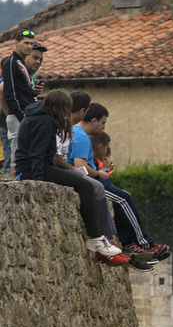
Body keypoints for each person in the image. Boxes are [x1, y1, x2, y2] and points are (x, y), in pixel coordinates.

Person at [14, 89, 125, 261]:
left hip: (33, 167)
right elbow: (37, 154)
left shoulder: (37, 115)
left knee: (85, 184)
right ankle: (96, 237)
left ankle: (98, 237)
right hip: (34, 169)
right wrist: (38, 181)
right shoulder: (45, 121)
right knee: (87, 186)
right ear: (62, 107)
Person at [70, 104, 169, 268]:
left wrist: (100, 172)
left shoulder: (81, 135)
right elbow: (80, 166)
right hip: (89, 183)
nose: (103, 127)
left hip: (93, 181)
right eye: (103, 123)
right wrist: (99, 174)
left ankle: (131, 247)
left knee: (121, 199)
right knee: (123, 198)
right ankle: (144, 243)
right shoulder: (81, 136)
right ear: (93, 120)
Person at [2, 29, 42, 155]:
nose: (29, 46)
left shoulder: (21, 64)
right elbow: (10, 93)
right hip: (18, 116)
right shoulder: (11, 62)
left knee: (25, 153)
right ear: (17, 43)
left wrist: (33, 93)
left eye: (31, 43)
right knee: (17, 156)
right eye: (26, 43)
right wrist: (22, 116)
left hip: (25, 115)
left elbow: (21, 92)